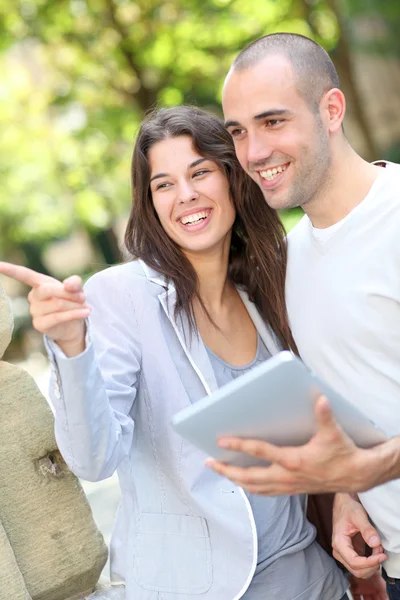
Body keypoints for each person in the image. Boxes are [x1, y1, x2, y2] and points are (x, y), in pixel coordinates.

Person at [0, 106, 348, 600]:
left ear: (232, 179)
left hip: (314, 579)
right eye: (163, 184)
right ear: (150, 203)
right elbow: (93, 459)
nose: (186, 195)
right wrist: (72, 349)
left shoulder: (267, 288)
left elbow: (311, 442)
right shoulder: (122, 295)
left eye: (200, 172)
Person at [204, 32, 400, 600]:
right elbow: (360, 403)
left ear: (331, 110)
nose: (254, 152)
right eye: (238, 131)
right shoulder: (293, 259)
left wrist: (368, 471)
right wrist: (347, 494)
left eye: (272, 121)